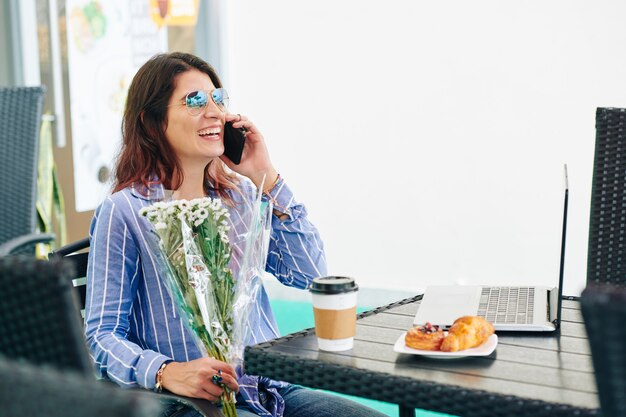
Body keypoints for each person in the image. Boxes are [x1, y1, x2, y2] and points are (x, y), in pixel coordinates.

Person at [85, 52, 387, 417]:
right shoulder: (126, 211)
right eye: (195, 101)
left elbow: (309, 271)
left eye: (218, 99)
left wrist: (267, 177)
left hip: (272, 390)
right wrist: (167, 372)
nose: (215, 112)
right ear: (152, 122)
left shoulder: (242, 197)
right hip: (195, 403)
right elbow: (102, 335)